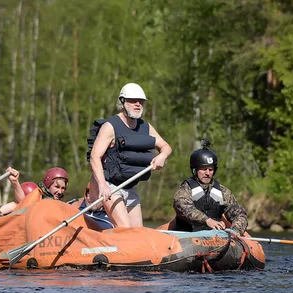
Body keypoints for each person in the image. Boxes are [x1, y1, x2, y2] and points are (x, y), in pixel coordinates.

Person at [88, 83, 172, 228]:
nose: (138, 104)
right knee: (125, 228)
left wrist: (162, 156)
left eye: (141, 101)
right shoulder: (110, 126)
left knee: (137, 233)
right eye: (133, 101)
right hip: (110, 186)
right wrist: (102, 186)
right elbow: (94, 157)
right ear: (122, 102)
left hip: (130, 186)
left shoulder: (145, 127)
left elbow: (166, 147)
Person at [172, 141, 248, 233]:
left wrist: (235, 230)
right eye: (204, 169)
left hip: (214, 237)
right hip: (187, 234)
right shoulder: (185, 190)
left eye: (210, 169)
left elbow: (239, 214)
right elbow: (184, 208)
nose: (207, 173)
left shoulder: (223, 192)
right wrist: (207, 220)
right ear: (195, 170)